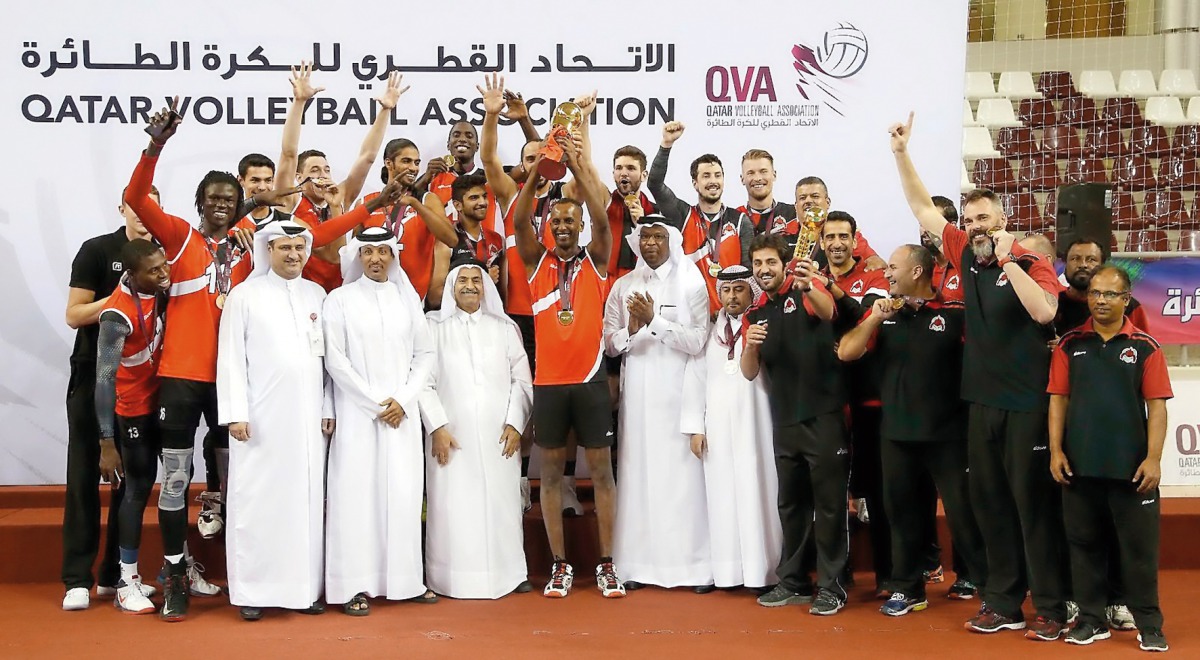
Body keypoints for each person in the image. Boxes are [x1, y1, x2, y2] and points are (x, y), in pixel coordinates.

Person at [890, 112, 1070, 640]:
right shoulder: (964, 254)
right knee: (990, 507)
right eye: (969, 221)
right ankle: (1003, 602)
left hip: (1027, 406)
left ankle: (1052, 608)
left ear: (1003, 220)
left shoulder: (1030, 262)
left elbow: (1044, 312)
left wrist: (1010, 260)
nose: (975, 228)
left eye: (984, 219)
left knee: (1033, 509)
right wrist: (901, 154)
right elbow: (922, 208)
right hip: (981, 404)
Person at [124, 101, 248, 621]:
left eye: (229, 199)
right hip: (179, 378)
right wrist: (155, 146)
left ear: (239, 207)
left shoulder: (251, 247)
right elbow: (135, 198)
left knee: (237, 480)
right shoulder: (178, 238)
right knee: (176, 478)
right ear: (199, 203)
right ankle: (175, 573)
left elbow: (318, 240)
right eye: (213, 198)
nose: (221, 204)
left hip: (232, 382)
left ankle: (248, 572)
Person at [837, 244, 988, 618]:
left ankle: (993, 590)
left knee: (964, 516)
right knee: (900, 515)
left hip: (949, 436)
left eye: (893, 267)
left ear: (917, 272)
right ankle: (907, 589)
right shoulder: (883, 316)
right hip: (896, 435)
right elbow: (846, 352)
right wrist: (873, 319)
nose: (886, 274)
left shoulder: (955, 314)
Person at [511, 152, 623, 598]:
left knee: (602, 474)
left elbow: (602, 217)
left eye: (569, 221)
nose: (562, 226)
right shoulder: (535, 262)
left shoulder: (596, 259)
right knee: (553, 475)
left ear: (580, 226)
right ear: (547, 227)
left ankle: (607, 563)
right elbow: (518, 219)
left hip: (591, 381)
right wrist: (539, 170)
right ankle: (560, 564)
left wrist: (576, 168)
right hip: (550, 385)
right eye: (555, 221)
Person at [1049, 265, 1171, 652]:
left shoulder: (1146, 347)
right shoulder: (1070, 344)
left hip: (1132, 471)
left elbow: (1157, 407)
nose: (1100, 300)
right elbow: (1058, 400)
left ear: (1126, 299)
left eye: (1110, 294)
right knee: (1083, 546)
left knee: (1138, 553)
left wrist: (1153, 459)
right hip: (1079, 468)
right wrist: (1056, 451)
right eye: (1095, 293)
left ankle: (1149, 624)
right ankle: (1091, 619)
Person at [216, 220, 333, 621]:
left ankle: (304, 590)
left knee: (304, 502)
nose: (293, 255)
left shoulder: (317, 295)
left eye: (299, 248)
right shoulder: (244, 295)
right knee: (257, 501)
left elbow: (328, 362)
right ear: (268, 250)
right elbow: (231, 358)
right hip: (259, 421)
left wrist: (328, 406)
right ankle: (253, 590)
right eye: (284, 248)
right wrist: (235, 413)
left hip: (308, 423)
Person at [321, 225, 436, 613]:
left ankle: (405, 582)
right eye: (368, 253)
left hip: (401, 416)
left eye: (383, 252)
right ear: (358, 256)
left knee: (403, 495)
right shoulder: (339, 300)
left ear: (392, 256)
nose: (375, 259)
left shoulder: (407, 299)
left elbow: (425, 354)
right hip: (358, 415)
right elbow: (335, 360)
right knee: (355, 497)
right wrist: (375, 404)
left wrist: (402, 399)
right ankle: (352, 585)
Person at [61, 185, 160, 611]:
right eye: (134, 206)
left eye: (149, 206)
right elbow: (73, 315)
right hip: (94, 373)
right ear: (122, 209)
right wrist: (124, 297)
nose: (141, 213)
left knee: (131, 480)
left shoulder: (161, 255)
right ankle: (76, 579)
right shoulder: (97, 250)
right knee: (85, 474)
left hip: (140, 383)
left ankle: (112, 576)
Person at [741, 234, 849, 616]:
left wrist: (810, 285)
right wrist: (750, 346)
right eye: (758, 264)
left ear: (784, 264)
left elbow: (829, 313)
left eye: (771, 262)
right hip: (784, 419)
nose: (764, 270)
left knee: (830, 505)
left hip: (824, 415)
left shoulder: (805, 290)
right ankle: (793, 582)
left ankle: (833, 586)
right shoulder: (754, 314)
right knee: (791, 505)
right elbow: (748, 372)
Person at [604, 217, 712, 591]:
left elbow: (698, 341)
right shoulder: (623, 286)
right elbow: (609, 344)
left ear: (672, 241)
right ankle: (637, 565)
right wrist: (631, 330)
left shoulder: (691, 280)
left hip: (678, 395)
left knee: (683, 481)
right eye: (645, 237)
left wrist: (655, 321)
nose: (650, 243)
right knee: (639, 477)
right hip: (637, 400)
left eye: (658, 237)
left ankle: (694, 567)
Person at [421, 257, 534, 599]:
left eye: (476, 280)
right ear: (451, 287)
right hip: (451, 437)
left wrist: (515, 423)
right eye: (462, 280)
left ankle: (509, 574)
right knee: (454, 507)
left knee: (502, 504)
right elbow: (423, 382)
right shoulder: (433, 328)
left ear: (485, 287)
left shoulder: (504, 328)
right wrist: (437, 426)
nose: (470, 286)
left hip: (499, 436)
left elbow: (522, 380)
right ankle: (449, 578)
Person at [680, 265, 782, 591]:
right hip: (718, 430)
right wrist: (695, 428)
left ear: (752, 291)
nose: (732, 296)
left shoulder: (763, 325)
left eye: (739, 289)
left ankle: (763, 574)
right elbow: (695, 379)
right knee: (721, 498)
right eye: (726, 290)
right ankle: (726, 574)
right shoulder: (710, 333)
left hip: (758, 427)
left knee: (758, 494)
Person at [273, 63, 408, 292]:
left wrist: (385, 111)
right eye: (314, 170)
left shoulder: (341, 196)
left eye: (327, 170)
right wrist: (299, 103)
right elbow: (288, 154)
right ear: (298, 176)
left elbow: (367, 158)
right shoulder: (290, 201)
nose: (323, 175)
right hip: (303, 293)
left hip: (341, 292)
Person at [93, 239, 170, 614]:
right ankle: (125, 581)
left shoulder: (159, 288)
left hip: (160, 401)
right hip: (133, 411)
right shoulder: (116, 314)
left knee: (169, 482)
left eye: (164, 264)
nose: (164, 273)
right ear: (132, 274)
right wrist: (107, 442)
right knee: (137, 489)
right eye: (154, 270)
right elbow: (103, 379)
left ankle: (164, 571)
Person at [647, 121, 754, 313]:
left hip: (729, 315)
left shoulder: (740, 221)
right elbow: (654, 184)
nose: (713, 181)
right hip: (690, 316)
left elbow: (749, 274)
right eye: (706, 176)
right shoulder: (683, 215)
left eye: (717, 175)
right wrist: (666, 144)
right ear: (695, 183)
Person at [360, 137, 461, 301]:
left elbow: (451, 239)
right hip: (373, 296)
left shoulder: (427, 200)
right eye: (406, 161)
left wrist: (415, 204)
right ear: (389, 163)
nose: (413, 168)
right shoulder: (367, 202)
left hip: (414, 299)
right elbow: (354, 255)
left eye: (417, 162)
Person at [427, 173, 505, 306]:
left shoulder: (498, 240)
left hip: (489, 316)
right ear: (458, 205)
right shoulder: (447, 242)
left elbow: (503, 295)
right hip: (458, 317)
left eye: (484, 196)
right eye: (474, 198)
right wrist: (484, 282)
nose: (482, 202)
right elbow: (435, 297)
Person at [1056, 238, 1150, 335]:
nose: (1083, 265)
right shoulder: (1053, 304)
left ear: (1102, 265)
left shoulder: (1127, 304)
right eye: (1075, 259)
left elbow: (1142, 342)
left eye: (1091, 259)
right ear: (1065, 264)